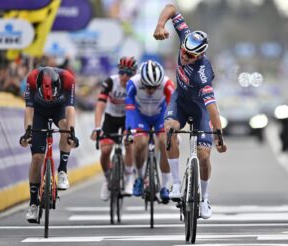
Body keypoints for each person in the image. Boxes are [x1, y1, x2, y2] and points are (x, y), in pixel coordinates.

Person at [153, 4, 227, 218]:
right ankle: (176, 184)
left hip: (201, 109)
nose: (184, 57)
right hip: (180, 101)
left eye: (190, 56)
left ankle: (204, 199)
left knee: (204, 156)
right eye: (183, 52)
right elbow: (171, 8)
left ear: (200, 55)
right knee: (169, 129)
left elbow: (212, 109)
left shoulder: (202, 74)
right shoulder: (187, 36)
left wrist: (219, 136)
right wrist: (160, 25)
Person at [19, 66, 79, 223]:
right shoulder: (32, 78)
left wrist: (71, 132)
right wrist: (28, 132)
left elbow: (70, 109)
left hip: (59, 110)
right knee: (37, 158)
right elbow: (28, 110)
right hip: (39, 112)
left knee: (66, 127)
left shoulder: (67, 79)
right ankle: (33, 203)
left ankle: (62, 171)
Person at [125, 60, 175, 204]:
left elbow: (173, 107)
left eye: (154, 86)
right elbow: (129, 108)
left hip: (161, 115)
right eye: (147, 86)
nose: (151, 90)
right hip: (139, 115)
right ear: (142, 81)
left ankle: (165, 186)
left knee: (165, 143)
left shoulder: (167, 84)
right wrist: (129, 130)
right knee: (140, 143)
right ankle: (140, 178)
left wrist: (173, 127)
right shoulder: (132, 83)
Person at [90, 56, 137, 201]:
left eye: (128, 73)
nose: (124, 76)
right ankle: (108, 179)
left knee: (129, 145)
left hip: (127, 118)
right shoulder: (110, 82)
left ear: (134, 73)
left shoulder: (136, 84)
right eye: (122, 72)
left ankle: (129, 178)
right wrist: (97, 127)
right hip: (111, 118)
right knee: (105, 151)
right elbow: (100, 105)